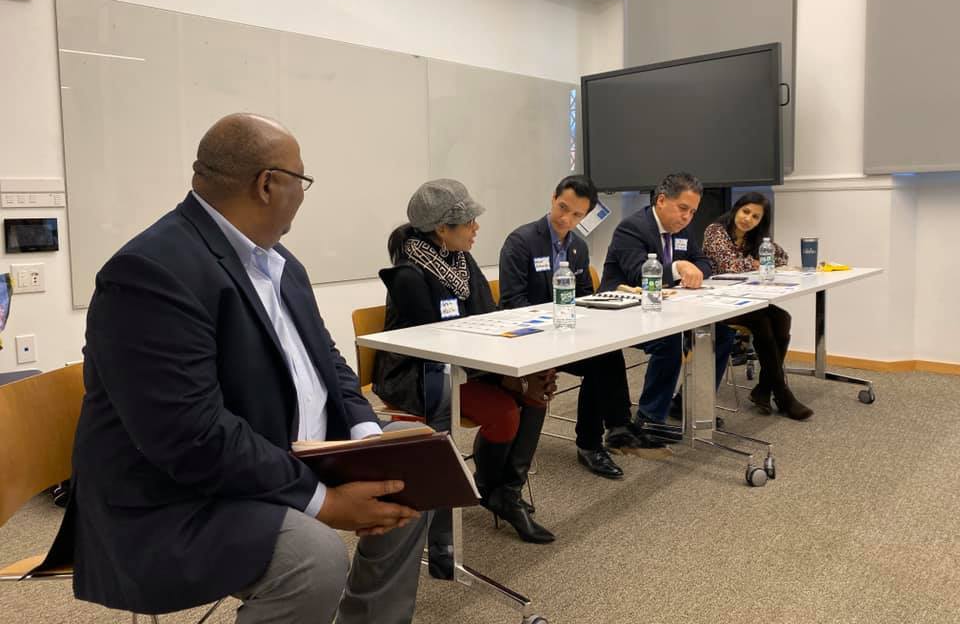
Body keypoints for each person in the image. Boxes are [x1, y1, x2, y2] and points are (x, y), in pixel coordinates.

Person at [46, 114, 429, 624]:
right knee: (313, 558)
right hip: (179, 495)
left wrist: (364, 434)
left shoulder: (281, 263)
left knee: (415, 472)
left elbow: (327, 362)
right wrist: (324, 501)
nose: (303, 192)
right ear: (268, 184)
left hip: (283, 453)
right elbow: (191, 436)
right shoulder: (151, 272)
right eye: (302, 179)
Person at [374, 179, 559, 558]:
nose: (477, 228)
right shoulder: (408, 275)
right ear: (443, 229)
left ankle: (505, 493)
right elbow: (434, 347)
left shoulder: (460, 260)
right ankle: (492, 491)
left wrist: (517, 366)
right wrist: (502, 373)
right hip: (422, 374)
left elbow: (485, 318)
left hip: (468, 364)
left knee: (537, 391)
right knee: (505, 412)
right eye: (469, 222)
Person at [498, 175, 670, 479]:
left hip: (564, 334)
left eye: (577, 215)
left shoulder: (577, 246)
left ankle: (607, 434)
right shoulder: (521, 241)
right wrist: (556, 319)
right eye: (563, 208)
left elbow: (582, 297)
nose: (566, 219)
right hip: (530, 338)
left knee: (604, 353)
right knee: (602, 360)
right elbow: (513, 303)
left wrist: (608, 301)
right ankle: (605, 435)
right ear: (553, 198)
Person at [600, 172, 735, 429]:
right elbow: (638, 274)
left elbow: (705, 263)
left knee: (722, 333)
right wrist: (678, 267)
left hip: (669, 308)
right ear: (661, 200)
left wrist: (694, 270)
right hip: (624, 310)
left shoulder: (683, 229)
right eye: (683, 208)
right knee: (669, 340)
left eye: (693, 212)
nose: (687, 217)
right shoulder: (632, 228)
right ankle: (650, 419)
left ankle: (687, 403)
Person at [703, 192, 813, 420]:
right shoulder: (716, 231)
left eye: (755, 217)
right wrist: (752, 263)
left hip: (746, 297)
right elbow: (728, 265)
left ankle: (764, 389)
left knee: (783, 318)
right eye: (745, 212)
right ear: (736, 209)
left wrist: (753, 262)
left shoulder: (757, 238)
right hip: (716, 301)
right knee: (762, 321)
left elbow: (782, 257)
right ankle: (781, 393)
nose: (748, 219)